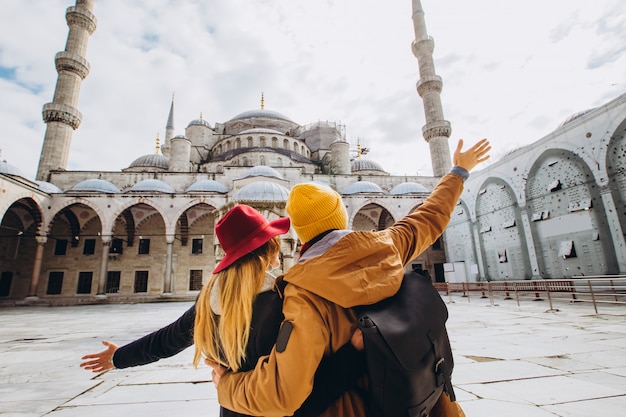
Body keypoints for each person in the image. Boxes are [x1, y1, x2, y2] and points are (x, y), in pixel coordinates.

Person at [209, 138, 490, 417]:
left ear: (300, 233)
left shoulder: (303, 292)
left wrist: (227, 387)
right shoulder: (389, 245)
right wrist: (458, 172)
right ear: (340, 216)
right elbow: (431, 215)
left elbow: (283, 392)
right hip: (421, 399)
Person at [80, 204, 366, 417]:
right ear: (267, 251)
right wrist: (353, 355)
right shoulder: (284, 301)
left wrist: (119, 357)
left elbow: (167, 340)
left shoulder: (209, 301)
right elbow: (297, 393)